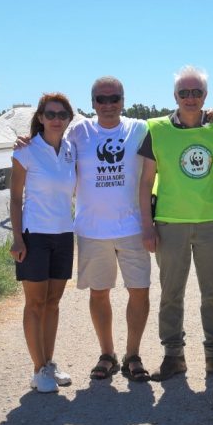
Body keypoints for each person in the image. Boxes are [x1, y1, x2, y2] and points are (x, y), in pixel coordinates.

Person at [138, 65, 213, 381]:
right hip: (169, 224)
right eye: (185, 93)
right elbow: (145, 182)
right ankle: (173, 356)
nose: (191, 98)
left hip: (211, 223)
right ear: (175, 96)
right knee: (171, 294)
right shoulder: (156, 129)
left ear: (205, 96)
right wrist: (147, 225)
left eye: (197, 92)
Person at [66, 76, 152, 382]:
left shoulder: (140, 129)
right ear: (92, 103)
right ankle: (107, 354)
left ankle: (133, 354)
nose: (108, 105)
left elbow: (178, 122)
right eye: (101, 99)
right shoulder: (79, 131)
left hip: (132, 227)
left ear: (123, 100)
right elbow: (50, 143)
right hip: (92, 230)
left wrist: (211, 116)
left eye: (114, 98)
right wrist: (27, 138)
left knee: (139, 292)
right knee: (99, 293)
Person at [9, 93, 77, 393]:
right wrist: (17, 238)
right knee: (35, 304)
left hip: (63, 234)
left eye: (62, 114)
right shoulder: (26, 151)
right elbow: (14, 197)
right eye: (50, 114)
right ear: (40, 118)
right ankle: (37, 370)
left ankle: (48, 363)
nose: (56, 119)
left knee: (53, 303)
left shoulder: (71, 149)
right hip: (34, 236)